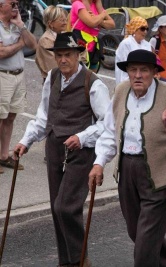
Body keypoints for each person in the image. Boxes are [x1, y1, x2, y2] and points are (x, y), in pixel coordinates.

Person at [14, 32, 110, 266]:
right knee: (57, 210)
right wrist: (26, 140)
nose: (63, 59)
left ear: (79, 55)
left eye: (68, 54)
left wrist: (82, 136)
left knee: (65, 207)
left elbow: (107, 123)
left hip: (81, 152)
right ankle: (66, 262)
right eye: (59, 55)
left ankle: (79, 260)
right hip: (55, 148)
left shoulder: (93, 82)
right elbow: (43, 115)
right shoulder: (53, 77)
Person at [88, 49, 166, 267]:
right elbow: (109, 131)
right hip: (127, 171)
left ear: (154, 72)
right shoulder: (121, 91)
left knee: (144, 246)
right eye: (132, 70)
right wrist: (99, 163)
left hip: (160, 176)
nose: (137, 75)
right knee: (137, 233)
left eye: (144, 70)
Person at [0, 0, 37, 174]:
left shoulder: (17, 24)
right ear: (1, 6)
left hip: (18, 75)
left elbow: (33, 44)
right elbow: (1, 53)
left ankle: (3, 155)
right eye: (12, 3)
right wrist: (20, 44)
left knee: (11, 117)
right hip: (3, 76)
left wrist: (22, 26)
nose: (16, 6)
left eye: (17, 3)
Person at [70, 0, 115, 72]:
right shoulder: (78, 4)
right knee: (79, 75)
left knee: (91, 77)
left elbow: (112, 24)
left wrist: (99, 20)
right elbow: (92, 22)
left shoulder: (96, 6)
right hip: (81, 45)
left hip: (94, 46)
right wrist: (102, 15)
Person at [115, 16, 152, 85]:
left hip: (142, 80)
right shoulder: (126, 43)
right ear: (135, 29)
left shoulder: (147, 44)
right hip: (126, 79)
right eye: (142, 29)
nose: (145, 32)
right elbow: (125, 66)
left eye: (147, 29)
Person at [35, 5, 68, 82]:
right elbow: (54, 65)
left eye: (65, 20)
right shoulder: (46, 40)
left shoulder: (63, 34)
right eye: (62, 20)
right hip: (54, 80)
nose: (65, 23)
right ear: (51, 24)